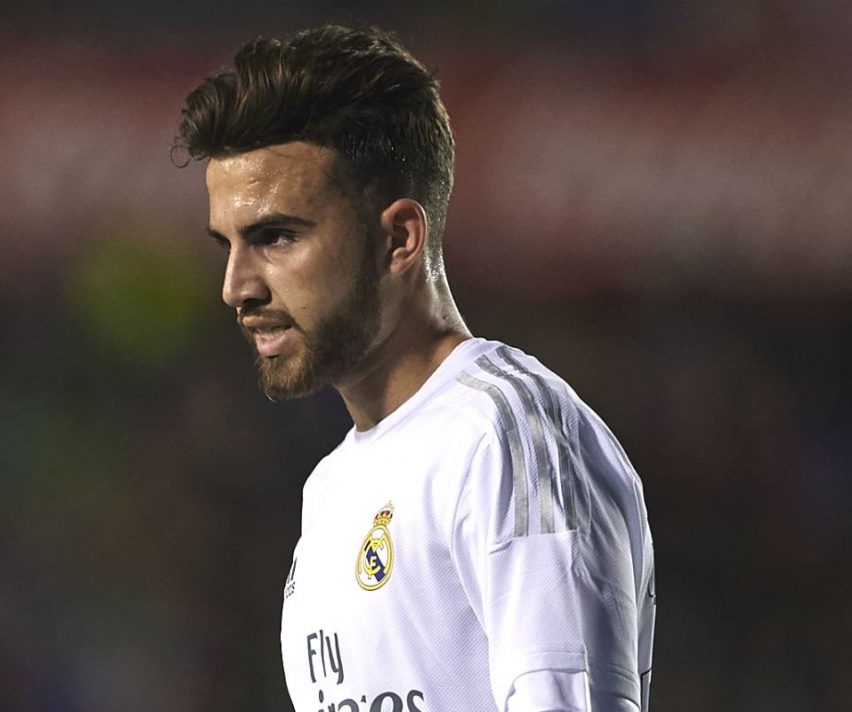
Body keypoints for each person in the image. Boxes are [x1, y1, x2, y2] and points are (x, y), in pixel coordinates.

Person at [176, 25, 655, 712]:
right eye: (226, 245)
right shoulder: (331, 489)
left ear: (399, 238)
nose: (236, 287)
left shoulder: (503, 434)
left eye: (275, 237)